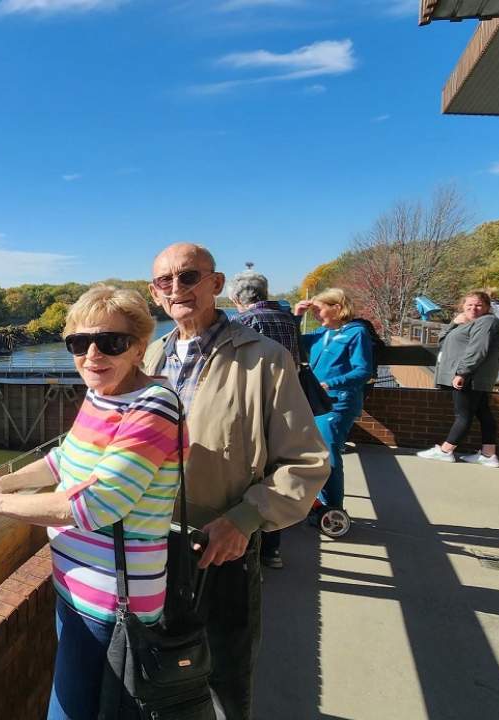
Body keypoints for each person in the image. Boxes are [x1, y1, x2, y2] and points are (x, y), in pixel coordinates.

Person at [0, 285, 186, 720]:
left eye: (111, 342)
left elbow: (96, 505)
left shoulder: (153, 408)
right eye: (79, 343)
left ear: (139, 348)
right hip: (73, 589)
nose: (93, 354)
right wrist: (4, 484)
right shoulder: (102, 395)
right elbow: (65, 459)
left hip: (115, 607)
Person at [142, 243, 328, 720]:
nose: (177, 289)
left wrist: (245, 520)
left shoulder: (263, 359)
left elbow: (304, 462)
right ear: (154, 293)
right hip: (149, 550)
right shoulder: (149, 356)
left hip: (220, 550)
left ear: (216, 283)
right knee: (155, 680)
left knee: (224, 682)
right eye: (165, 281)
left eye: (189, 277)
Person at [229, 264, 300, 570]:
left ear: (236, 299)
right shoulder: (288, 318)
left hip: (254, 406)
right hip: (289, 402)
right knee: (278, 473)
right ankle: (273, 549)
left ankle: (251, 554)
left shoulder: (245, 321)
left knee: (254, 476)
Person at [292, 289, 375, 517]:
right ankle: (318, 504)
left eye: (319, 309)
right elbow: (293, 342)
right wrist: (297, 316)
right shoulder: (321, 333)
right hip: (318, 402)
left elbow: (363, 370)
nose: (316, 314)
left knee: (329, 454)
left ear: (337, 308)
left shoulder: (356, 333)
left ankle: (333, 509)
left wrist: (331, 383)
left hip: (339, 403)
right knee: (316, 453)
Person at [418, 291, 499, 467]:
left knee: (463, 415)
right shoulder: (470, 323)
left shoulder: (487, 322)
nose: (473, 308)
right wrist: (454, 323)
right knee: (483, 413)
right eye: (469, 305)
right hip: (473, 376)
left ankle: (446, 450)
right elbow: (443, 342)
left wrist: (462, 373)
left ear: (488, 307)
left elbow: (477, 350)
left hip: (471, 377)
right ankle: (489, 455)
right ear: (463, 306)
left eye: (479, 305)